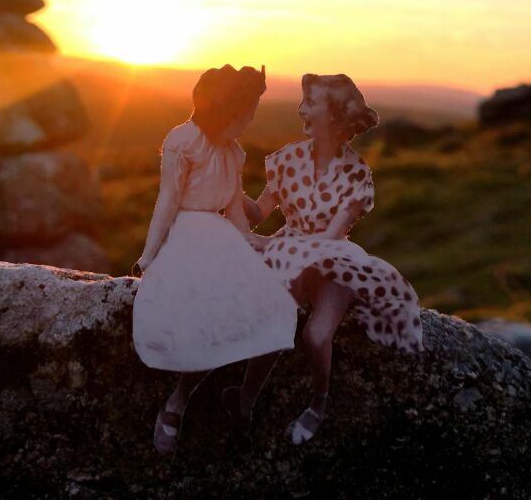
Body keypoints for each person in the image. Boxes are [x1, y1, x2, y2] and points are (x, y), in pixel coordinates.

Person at [241, 73, 424, 445]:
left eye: (311, 103)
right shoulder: (287, 159)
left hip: (333, 260)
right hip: (290, 251)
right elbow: (259, 213)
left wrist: (265, 246)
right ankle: (244, 402)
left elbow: (326, 239)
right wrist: (227, 183)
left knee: (315, 335)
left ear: (335, 115)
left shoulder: (357, 174)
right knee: (272, 323)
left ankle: (318, 404)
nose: (301, 108)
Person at [132, 65, 298, 456]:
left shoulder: (232, 153)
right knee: (209, 313)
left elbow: (238, 216)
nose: (249, 122)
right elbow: (168, 200)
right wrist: (149, 253)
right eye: (246, 115)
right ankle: (176, 402)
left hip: (222, 239)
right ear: (224, 112)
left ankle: (241, 403)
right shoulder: (182, 142)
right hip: (189, 238)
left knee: (272, 309)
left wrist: (259, 242)